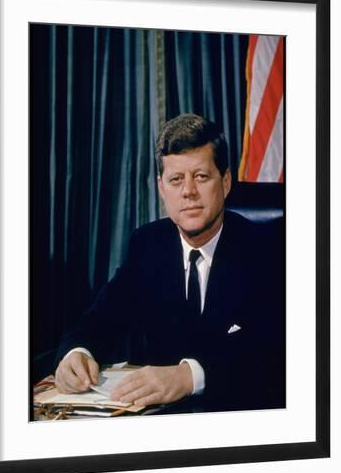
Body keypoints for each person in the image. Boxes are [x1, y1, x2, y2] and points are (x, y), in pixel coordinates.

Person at [54, 113, 285, 412]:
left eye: (201, 176)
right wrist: (76, 352)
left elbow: (275, 351)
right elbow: (102, 318)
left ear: (225, 182)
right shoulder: (147, 245)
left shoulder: (267, 249)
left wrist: (189, 376)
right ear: (162, 189)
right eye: (176, 180)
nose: (188, 191)